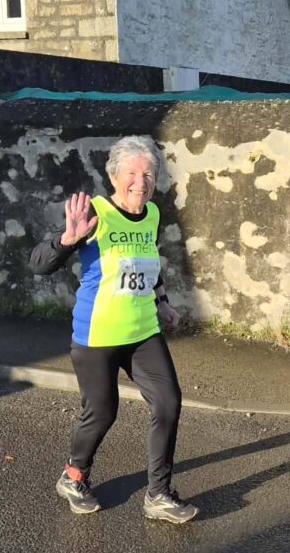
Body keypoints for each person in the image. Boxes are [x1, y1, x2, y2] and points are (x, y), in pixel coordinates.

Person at [29, 136, 198, 524]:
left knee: (168, 403)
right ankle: (73, 476)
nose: (142, 181)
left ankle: (158, 494)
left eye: (149, 173)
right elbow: (39, 264)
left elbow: (147, 263)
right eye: (133, 173)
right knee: (102, 413)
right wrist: (66, 240)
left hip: (142, 332)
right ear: (114, 176)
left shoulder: (152, 214)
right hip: (97, 337)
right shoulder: (96, 213)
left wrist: (163, 301)